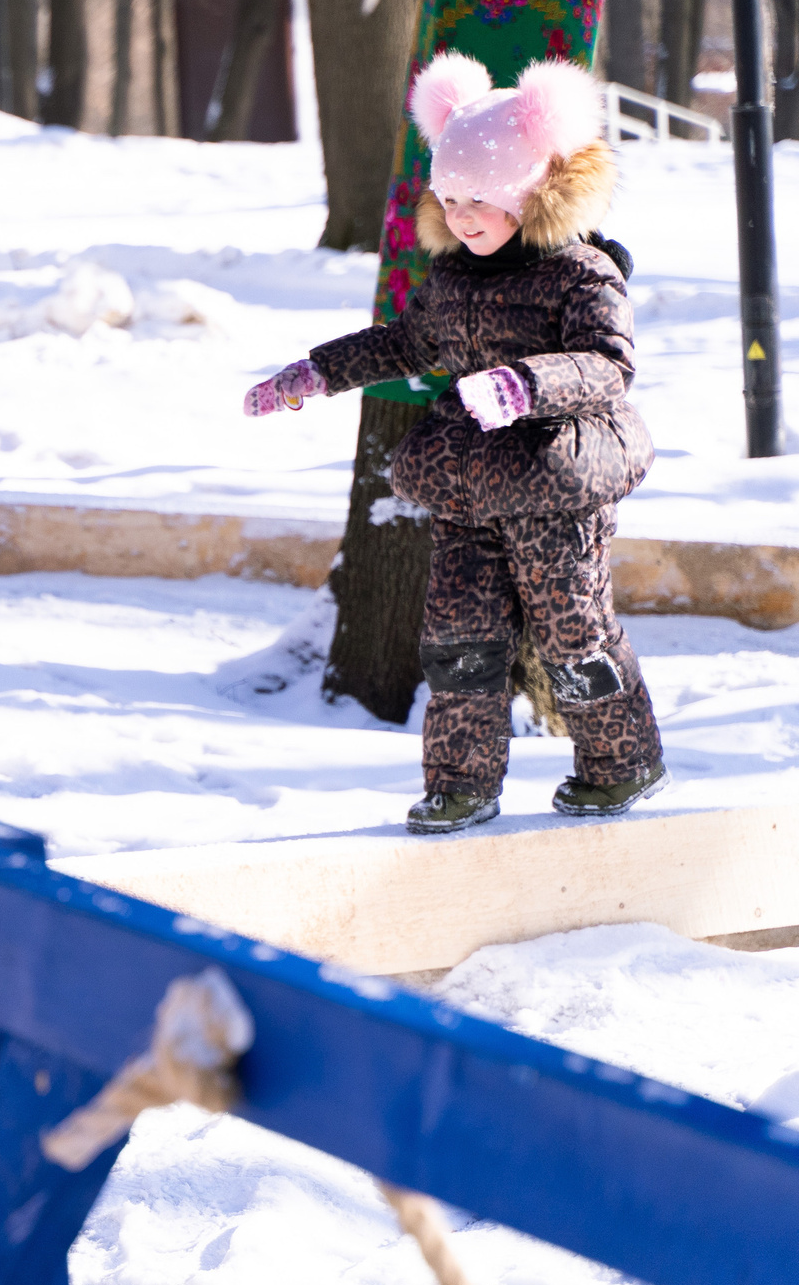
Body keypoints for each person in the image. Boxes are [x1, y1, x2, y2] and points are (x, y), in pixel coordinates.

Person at [245, 53, 665, 834]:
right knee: (458, 639)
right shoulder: (452, 279)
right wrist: (315, 372)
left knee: (574, 632)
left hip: (556, 479)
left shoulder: (581, 274)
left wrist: (524, 385)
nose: (464, 215)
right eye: (450, 198)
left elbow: (609, 363)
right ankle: (461, 783)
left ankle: (622, 762)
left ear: (535, 190)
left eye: (483, 198)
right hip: (471, 483)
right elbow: (407, 343)